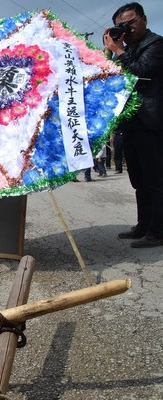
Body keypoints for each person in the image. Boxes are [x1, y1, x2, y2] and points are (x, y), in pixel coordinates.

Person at [103, 2, 163, 248]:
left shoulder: (156, 45)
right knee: (138, 179)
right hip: (131, 122)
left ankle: (158, 231)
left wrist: (119, 51)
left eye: (131, 22)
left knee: (155, 179)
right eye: (121, 26)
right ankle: (143, 224)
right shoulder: (127, 49)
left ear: (144, 20)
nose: (127, 28)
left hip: (152, 122)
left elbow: (141, 72)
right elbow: (113, 77)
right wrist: (110, 52)